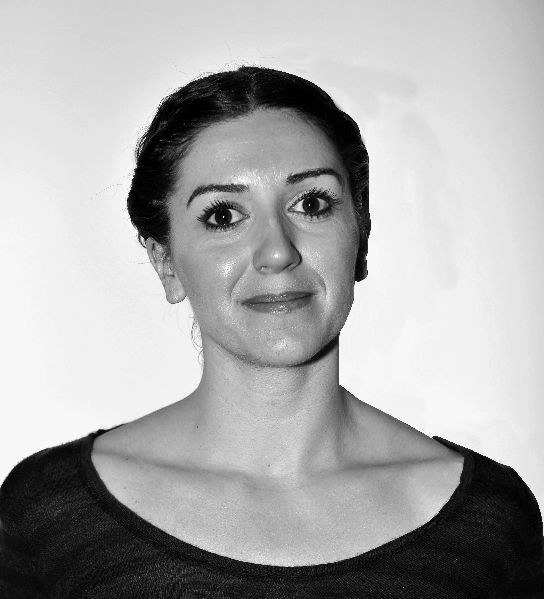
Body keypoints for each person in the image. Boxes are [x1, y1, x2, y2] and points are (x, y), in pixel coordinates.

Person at [1, 66, 542, 598]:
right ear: (166, 261)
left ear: (361, 234)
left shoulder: (489, 522)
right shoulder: (47, 513)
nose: (278, 251)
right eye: (223, 216)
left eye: (312, 204)